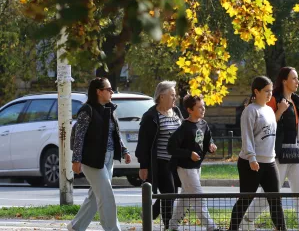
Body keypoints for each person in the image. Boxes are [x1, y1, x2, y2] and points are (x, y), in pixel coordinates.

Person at [241, 67, 299, 231]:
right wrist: (280, 110)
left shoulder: (295, 101)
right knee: (271, 193)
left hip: (296, 151)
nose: (297, 82)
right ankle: (248, 219)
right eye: (294, 78)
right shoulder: (273, 100)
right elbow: (266, 125)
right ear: (284, 81)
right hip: (278, 153)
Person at [68, 77, 132, 231]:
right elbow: (79, 136)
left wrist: (124, 151)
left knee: (95, 197)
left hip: (108, 157)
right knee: (106, 195)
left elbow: (115, 133)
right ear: (98, 91)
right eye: (108, 89)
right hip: (92, 159)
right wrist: (76, 160)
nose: (112, 92)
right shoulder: (87, 110)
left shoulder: (110, 109)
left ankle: (76, 227)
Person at [228, 76, 286, 231]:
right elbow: (246, 136)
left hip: (269, 161)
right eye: (266, 91)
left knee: (275, 200)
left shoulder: (268, 110)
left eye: (271, 91)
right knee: (245, 200)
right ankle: (232, 228)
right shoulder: (250, 111)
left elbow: (270, 135)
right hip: (251, 163)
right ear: (256, 91)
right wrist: (252, 158)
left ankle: (282, 228)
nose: (270, 94)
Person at [135, 81, 183, 229]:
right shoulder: (151, 116)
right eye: (172, 95)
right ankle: (167, 224)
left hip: (176, 162)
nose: (175, 98)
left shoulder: (176, 112)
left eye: (175, 95)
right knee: (169, 192)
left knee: (172, 193)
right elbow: (143, 144)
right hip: (160, 162)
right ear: (162, 97)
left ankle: (151, 213)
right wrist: (143, 166)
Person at [167, 95, 220, 231]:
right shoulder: (184, 127)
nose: (203, 109)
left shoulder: (203, 124)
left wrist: (211, 146)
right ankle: (211, 227)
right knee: (198, 196)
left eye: (204, 106)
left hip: (197, 167)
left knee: (185, 198)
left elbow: (208, 140)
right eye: (200, 107)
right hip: (185, 168)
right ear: (190, 110)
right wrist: (189, 154)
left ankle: (172, 225)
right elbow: (171, 147)